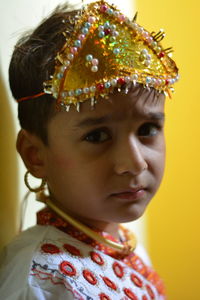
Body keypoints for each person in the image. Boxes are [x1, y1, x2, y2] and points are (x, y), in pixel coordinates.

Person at [0, 1, 179, 299]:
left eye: (147, 130)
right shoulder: (43, 280)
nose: (134, 164)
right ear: (35, 155)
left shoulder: (120, 241)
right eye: (97, 136)